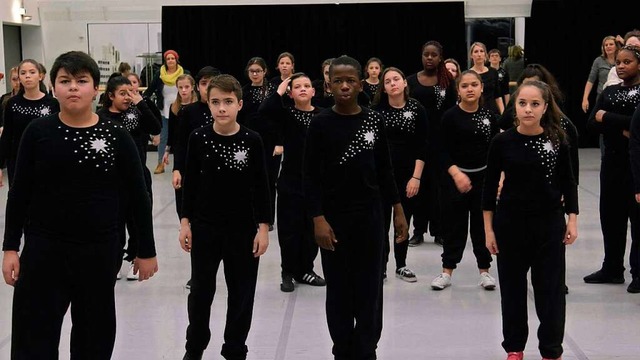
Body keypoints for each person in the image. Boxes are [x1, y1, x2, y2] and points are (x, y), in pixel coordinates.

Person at [1, 50, 158, 359]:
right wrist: (10, 248)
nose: (73, 87)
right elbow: (19, 193)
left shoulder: (116, 136)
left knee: (93, 337)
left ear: (95, 88)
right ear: (54, 87)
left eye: (81, 81)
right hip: (44, 249)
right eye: (65, 81)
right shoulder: (38, 133)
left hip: (98, 251)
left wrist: (146, 250)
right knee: (34, 336)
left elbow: (139, 197)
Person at [304, 55, 408, 360]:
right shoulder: (321, 123)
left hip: (371, 217)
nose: (345, 86)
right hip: (334, 220)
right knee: (338, 288)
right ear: (328, 85)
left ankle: (366, 349)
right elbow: (310, 177)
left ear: (361, 84)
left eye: (351, 80)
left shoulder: (374, 119)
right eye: (338, 81)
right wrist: (318, 219)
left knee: (370, 288)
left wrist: (398, 210)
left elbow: (384, 169)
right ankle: (343, 349)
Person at [483, 80, 578, 360]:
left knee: (550, 290)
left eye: (535, 104)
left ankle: (551, 349)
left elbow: (568, 183)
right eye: (522, 103)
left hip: (548, 225)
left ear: (545, 107)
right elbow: (488, 191)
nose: (528, 109)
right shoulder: (501, 142)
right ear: (515, 106)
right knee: (512, 290)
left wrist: (572, 219)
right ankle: (514, 347)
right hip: (510, 224)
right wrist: (488, 230)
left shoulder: (557, 140)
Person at [179, 74, 270, 360]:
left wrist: (263, 227)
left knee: (241, 295)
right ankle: (194, 347)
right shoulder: (199, 138)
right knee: (201, 293)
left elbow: (262, 187)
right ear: (208, 104)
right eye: (215, 102)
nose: (221, 108)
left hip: (242, 230)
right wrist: (185, 222)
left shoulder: (252, 140)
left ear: (239, 104)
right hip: (205, 228)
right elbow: (190, 185)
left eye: (228, 102)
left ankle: (234, 349)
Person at [430, 70, 499, 291]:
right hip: (454, 180)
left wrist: (499, 177)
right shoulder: (450, 117)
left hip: (483, 180)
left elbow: (496, 148)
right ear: (458, 91)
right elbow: (440, 150)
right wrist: (456, 174)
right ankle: (446, 272)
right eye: (464, 86)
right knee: (453, 227)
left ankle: (485, 272)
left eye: (474, 85)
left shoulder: (489, 116)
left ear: (481, 88)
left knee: (482, 227)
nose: (469, 89)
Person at [259, 72, 325, 292]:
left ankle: (305, 268)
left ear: (314, 91)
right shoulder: (286, 115)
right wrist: (279, 90)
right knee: (290, 228)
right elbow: (265, 112)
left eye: (307, 85)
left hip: (316, 182)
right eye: (297, 86)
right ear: (291, 92)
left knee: (311, 228)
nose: (303, 89)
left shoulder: (323, 116)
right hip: (290, 181)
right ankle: (287, 271)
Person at [585, 45, 640, 294]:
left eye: (627, 61)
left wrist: (607, 118)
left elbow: (634, 125)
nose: (621, 66)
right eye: (618, 62)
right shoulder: (609, 90)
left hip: (635, 163)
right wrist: (622, 127)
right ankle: (612, 267)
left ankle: (638, 271)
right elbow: (591, 122)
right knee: (611, 215)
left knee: (637, 218)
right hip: (612, 161)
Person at [97, 73, 162, 280]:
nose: (127, 97)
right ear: (110, 96)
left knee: (137, 221)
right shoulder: (101, 117)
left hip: (137, 175)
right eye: (122, 93)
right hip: (111, 179)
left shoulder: (136, 112)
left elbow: (155, 128)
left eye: (131, 93)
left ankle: (135, 257)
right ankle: (114, 260)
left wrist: (141, 103)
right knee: (114, 223)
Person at [371, 66, 427, 282]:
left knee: (403, 220)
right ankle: (381, 265)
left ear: (405, 83)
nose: (393, 83)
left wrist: (416, 177)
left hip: (408, 176)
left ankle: (401, 264)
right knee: (382, 221)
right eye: (388, 81)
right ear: (384, 88)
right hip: (381, 176)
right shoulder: (376, 112)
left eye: (396, 79)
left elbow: (423, 146)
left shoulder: (417, 109)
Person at [406, 40, 458, 247]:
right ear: (421, 56)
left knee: (438, 188)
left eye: (433, 55)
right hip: (416, 142)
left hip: (440, 141)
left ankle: (438, 230)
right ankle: (418, 231)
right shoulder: (411, 81)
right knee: (420, 187)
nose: (429, 58)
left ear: (440, 57)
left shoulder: (446, 82)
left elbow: (452, 111)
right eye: (426, 54)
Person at [173, 66, 220, 289]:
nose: (208, 88)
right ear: (197, 86)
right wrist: (177, 169)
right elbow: (181, 144)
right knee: (194, 227)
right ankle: (198, 273)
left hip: (219, 179)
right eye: (203, 84)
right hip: (194, 177)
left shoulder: (223, 109)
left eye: (212, 83)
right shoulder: (189, 112)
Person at [0, 59, 60, 187]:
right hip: (17, 158)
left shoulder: (52, 103)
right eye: (23, 73)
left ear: (40, 76)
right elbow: (7, 135)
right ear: (19, 78)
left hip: (45, 158)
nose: (27, 76)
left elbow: (58, 133)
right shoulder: (12, 103)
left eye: (32, 72)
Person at [239, 57, 278, 228]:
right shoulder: (243, 91)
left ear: (265, 72)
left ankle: (268, 219)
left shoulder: (273, 90)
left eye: (258, 71)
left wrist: (279, 142)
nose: (255, 74)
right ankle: (252, 215)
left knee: (269, 181)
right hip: (249, 140)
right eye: (252, 71)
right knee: (250, 180)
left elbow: (280, 117)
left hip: (270, 141)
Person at [143, 49, 189, 174]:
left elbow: (191, 89)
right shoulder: (160, 74)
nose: (170, 60)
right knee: (163, 137)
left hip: (182, 110)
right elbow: (150, 90)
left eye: (172, 58)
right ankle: (160, 164)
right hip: (164, 110)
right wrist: (142, 100)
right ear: (165, 61)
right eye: (168, 58)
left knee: (184, 137)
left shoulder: (184, 73)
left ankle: (186, 164)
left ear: (176, 60)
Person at [164, 73, 198, 219]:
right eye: (180, 87)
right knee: (180, 186)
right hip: (180, 151)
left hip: (196, 150)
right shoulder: (174, 108)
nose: (183, 90)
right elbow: (172, 132)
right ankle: (184, 219)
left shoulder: (198, 107)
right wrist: (167, 150)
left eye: (186, 87)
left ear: (192, 88)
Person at [581, 35, 618, 114]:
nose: (608, 46)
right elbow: (591, 80)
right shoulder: (598, 61)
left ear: (616, 46)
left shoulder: (621, 59)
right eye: (606, 45)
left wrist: (623, 41)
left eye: (611, 44)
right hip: (602, 96)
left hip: (618, 96)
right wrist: (585, 98)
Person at [469, 42, 504, 115]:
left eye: (481, 51)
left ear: (485, 54)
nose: (479, 54)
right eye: (476, 51)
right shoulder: (469, 74)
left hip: (492, 111)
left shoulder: (493, 72)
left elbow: (498, 96)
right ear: (471, 55)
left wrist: (503, 114)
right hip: (475, 111)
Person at [0, 67, 20, 131]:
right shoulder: (4, 98)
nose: (18, 82)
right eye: (14, 79)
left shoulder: (30, 98)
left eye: (19, 79)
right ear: (10, 81)